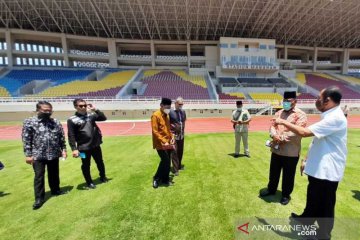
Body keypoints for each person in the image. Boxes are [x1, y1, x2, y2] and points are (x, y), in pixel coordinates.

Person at [273, 86, 347, 239]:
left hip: (328, 170)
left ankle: (323, 234)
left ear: (327, 100)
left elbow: (304, 132)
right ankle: (306, 219)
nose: (316, 101)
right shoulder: (328, 115)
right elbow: (317, 140)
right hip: (319, 167)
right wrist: (306, 158)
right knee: (313, 197)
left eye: (319, 98)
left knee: (325, 205)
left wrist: (281, 121)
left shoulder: (335, 118)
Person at [260, 91, 308, 205]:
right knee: (273, 172)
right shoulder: (279, 112)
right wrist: (273, 135)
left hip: (291, 151)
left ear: (295, 102)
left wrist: (280, 138)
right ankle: (271, 189)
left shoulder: (301, 115)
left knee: (288, 175)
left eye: (289, 101)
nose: (286, 103)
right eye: (284, 101)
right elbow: (272, 126)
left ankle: (286, 195)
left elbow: (297, 131)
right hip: (277, 149)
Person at [22, 101, 67, 210]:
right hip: (38, 155)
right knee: (39, 177)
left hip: (54, 153)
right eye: (45, 110)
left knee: (54, 174)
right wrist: (28, 155)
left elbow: (61, 136)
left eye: (50, 110)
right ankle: (39, 198)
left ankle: (55, 190)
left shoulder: (55, 121)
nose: (48, 112)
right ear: (38, 110)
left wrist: (64, 149)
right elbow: (26, 139)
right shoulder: (30, 122)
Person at [67, 99, 108, 189]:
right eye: (80, 106)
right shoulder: (72, 120)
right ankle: (89, 182)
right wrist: (74, 149)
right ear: (75, 107)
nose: (83, 107)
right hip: (83, 148)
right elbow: (71, 135)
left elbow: (103, 118)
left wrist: (95, 109)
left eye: (85, 105)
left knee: (100, 162)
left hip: (95, 145)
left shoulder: (91, 115)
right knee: (85, 165)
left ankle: (103, 177)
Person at [151, 98, 175, 188]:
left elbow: (168, 129)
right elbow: (155, 131)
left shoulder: (167, 115)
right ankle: (156, 178)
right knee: (165, 160)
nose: (168, 109)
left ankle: (165, 180)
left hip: (168, 143)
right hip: (160, 144)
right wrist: (164, 141)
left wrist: (172, 137)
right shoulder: (155, 116)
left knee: (167, 162)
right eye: (167, 107)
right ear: (161, 105)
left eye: (169, 107)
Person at [169, 97, 187, 175]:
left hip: (181, 135)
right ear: (175, 103)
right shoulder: (170, 112)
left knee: (180, 151)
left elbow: (183, 122)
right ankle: (175, 169)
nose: (181, 105)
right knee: (174, 152)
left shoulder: (183, 112)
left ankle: (179, 166)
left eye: (182, 104)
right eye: (179, 104)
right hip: (174, 136)